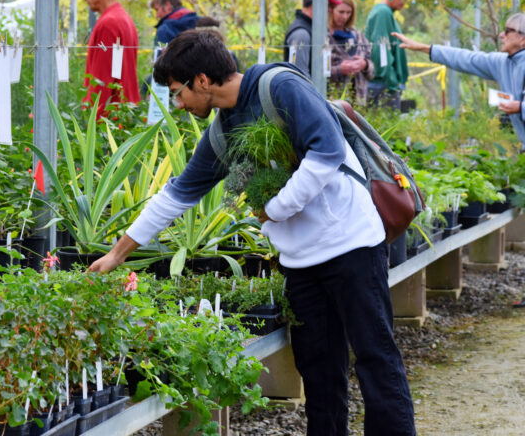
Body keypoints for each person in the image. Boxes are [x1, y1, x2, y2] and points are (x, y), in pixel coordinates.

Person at [88, 29, 416, 436]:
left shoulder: (280, 87)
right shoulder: (223, 133)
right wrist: (117, 254)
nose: (178, 103)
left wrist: (273, 211)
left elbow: (327, 153)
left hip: (350, 246)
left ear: (202, 81)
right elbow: (175, 196)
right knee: (319, 374)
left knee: (375, 361)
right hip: (300, 263)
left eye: (178, 92)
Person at [393, 13, 525, 152]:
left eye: (508, 31)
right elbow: (466, 59)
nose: (501, 35)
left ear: (523, 39)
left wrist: (520, 108)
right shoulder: (503, 63)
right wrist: (425, 48)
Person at [79, 0, 140, 117]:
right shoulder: (124, 18)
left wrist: (93, 118)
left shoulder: (108, 23)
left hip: (110, 117)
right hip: (125, 111)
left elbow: (102, 79)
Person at [364, 0, 411, 110]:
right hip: (382, 85)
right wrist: (391, 83)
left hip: (383, 84)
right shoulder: (382, 12)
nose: (405, 1)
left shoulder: (386, 13)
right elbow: (381, 49)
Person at [328, 0, 374, 105]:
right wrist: (340, 69)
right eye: (341, 12)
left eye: (348, 12)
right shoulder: (322, 36)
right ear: (331, 10)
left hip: (358, 102)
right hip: (332, 102)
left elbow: (372, 71)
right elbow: (313, 70)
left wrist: (364, 64)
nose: (345, 16)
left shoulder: (356, 35)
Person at [283, 0, 339, 76]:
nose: (330, 10)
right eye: (328, 5)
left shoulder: (313, 29)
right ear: (316, 4)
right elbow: (300, 77)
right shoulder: (301, 34)